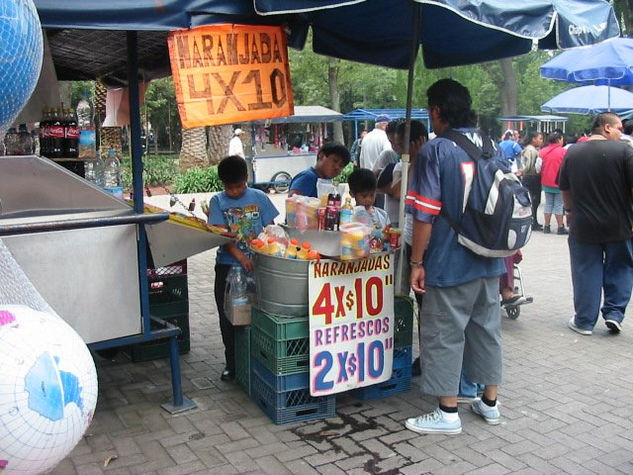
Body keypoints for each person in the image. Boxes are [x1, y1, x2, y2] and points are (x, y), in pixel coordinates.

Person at [404, 79, 505, 435]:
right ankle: (490, 403)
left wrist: (417, 263)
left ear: (436, 110)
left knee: (444, 333)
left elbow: (424, 214)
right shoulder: (491, 144)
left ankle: (447, 413)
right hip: (491, 256)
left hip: (450, 259)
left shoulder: (436, 150)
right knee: (486, 329)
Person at [559, 113, 633, 336]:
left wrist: (570, 211)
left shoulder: (573, 152)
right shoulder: (624, 152)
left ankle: (584, 321)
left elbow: (565, 188)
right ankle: (614, 313)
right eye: (619, 128)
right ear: (607, 128)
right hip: (619, 224)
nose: (622, 132)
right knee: (620, 267)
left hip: (583, 224)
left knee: (585, 270)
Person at [208, 156, 279, 381]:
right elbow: (220, 235)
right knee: (229, 317)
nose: (234, 191)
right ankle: (232, 364)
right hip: (228, 269)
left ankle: (258, 361)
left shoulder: (259, 197)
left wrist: (267, 250)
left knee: (257, 315)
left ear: (246, 179)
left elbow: (271, 229)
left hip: (259, 267)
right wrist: (240, 257)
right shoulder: (217, 201)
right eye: (229, 187)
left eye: (238, 186)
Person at [373, 120, 403, 224]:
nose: (394, 146)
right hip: (392, 216)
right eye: (391, 142)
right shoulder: (388, 155)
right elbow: (372, 181)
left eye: (397, 142)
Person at [539, 131, 567, 235]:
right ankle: (560, 227)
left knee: (549, 204)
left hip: (546, 181)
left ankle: (547, 226)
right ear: (559, 139)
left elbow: (538, 167)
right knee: (559, 205)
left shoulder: (542, 151)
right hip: (559, 182)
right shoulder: (564, 152)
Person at [518, 131, 543, 231]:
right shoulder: (531, 151)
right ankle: (533, 221)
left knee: (532, 200)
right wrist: (524, 171)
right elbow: (529, 165)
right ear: (533, 139)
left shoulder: (528, 149)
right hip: (532, 177)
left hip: (528, 177)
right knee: (534, 200)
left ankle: (534, 220)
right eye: (540, 138)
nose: (541, 141)